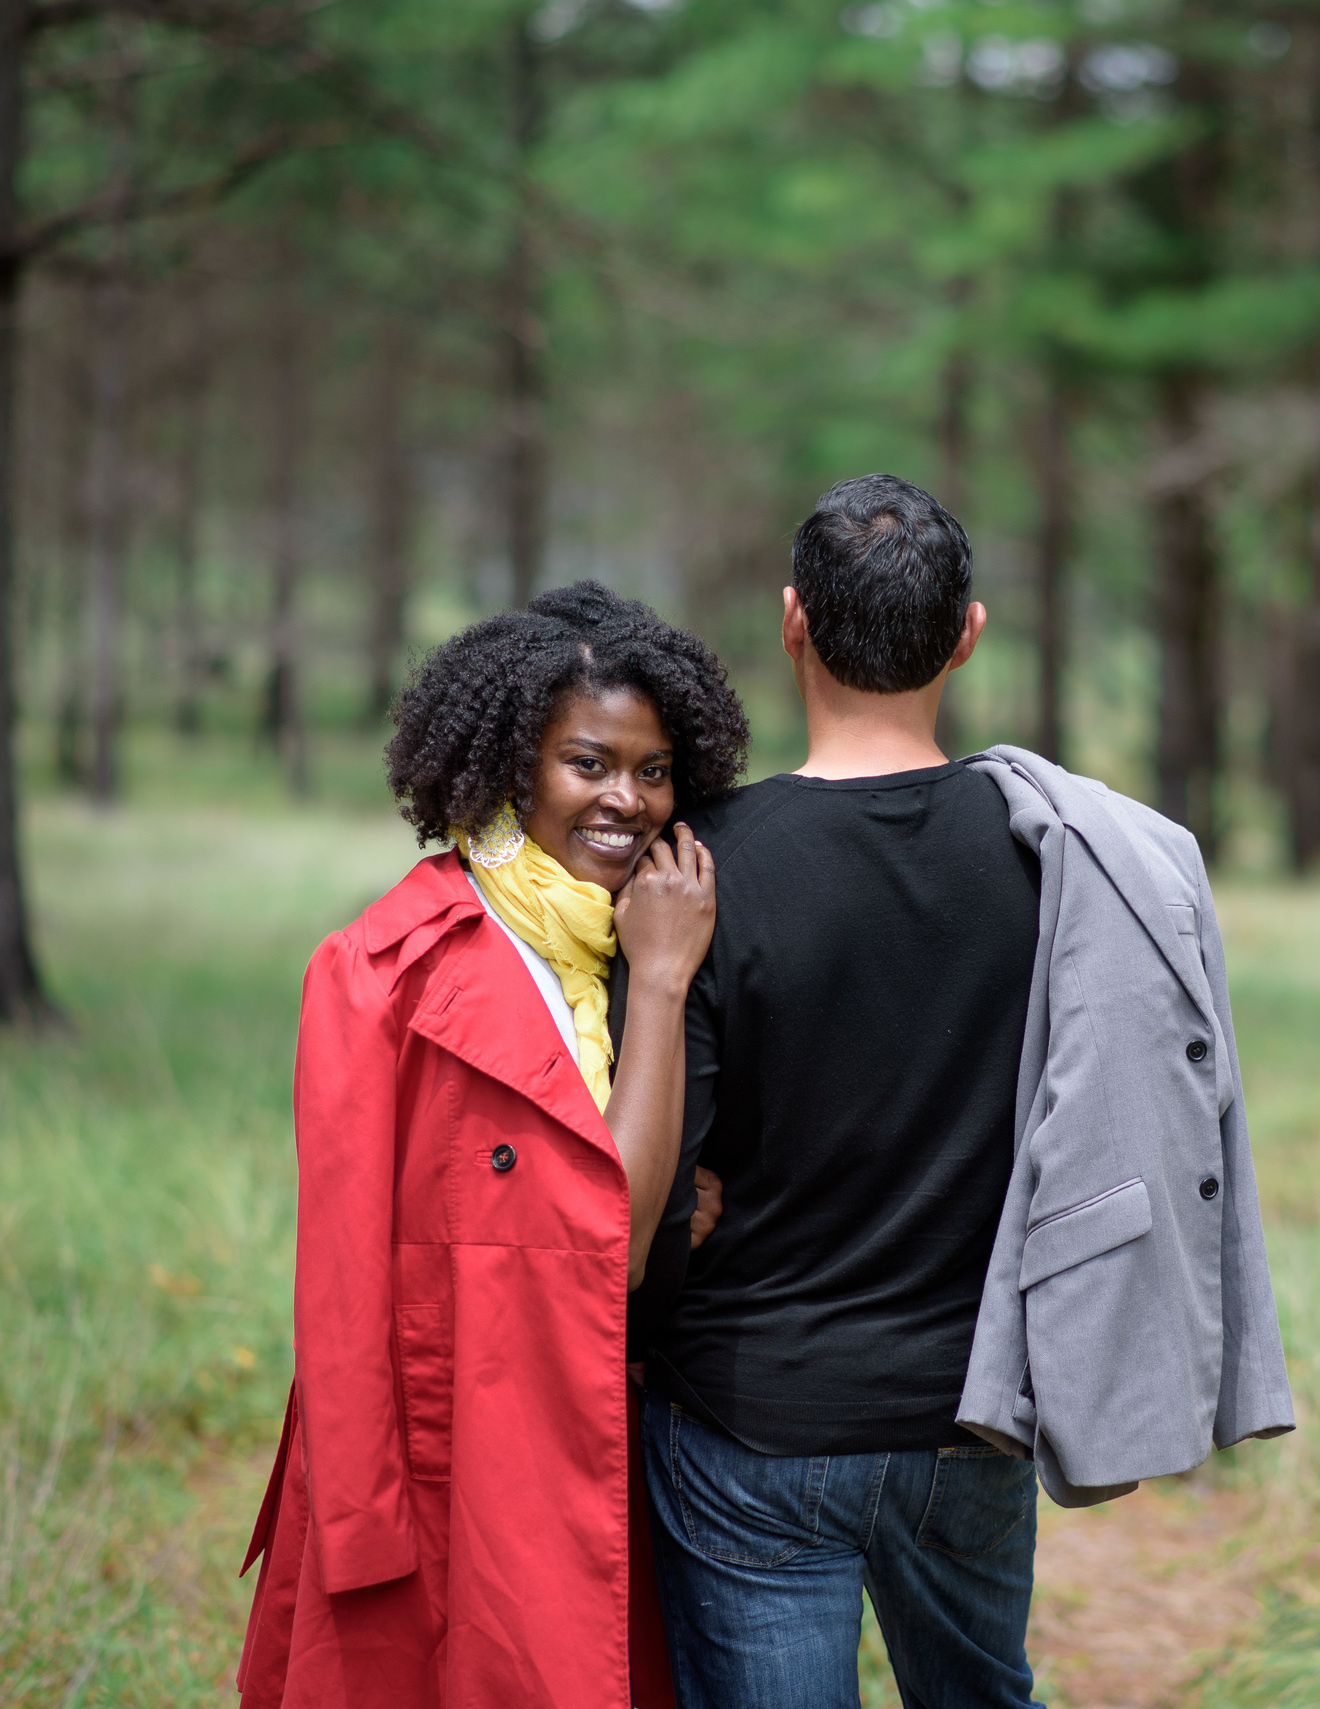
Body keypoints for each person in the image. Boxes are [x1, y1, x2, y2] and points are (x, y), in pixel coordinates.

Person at [235, 591, 748, 1709]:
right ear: (514, 763)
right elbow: (339, 1279)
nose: (626, 798)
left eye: (654, 769)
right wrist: (364, 1524)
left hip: (606, 1449)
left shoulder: (649, 935)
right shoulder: (381, 971)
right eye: (588, 761)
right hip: (443, 1468)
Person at [641, 475, 1047, 1709]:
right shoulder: (1053, 855)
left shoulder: (700, 865)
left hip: (751, 1417)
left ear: (792, 623)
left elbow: (657, 1173)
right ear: (966, 632)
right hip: (969, 1409)